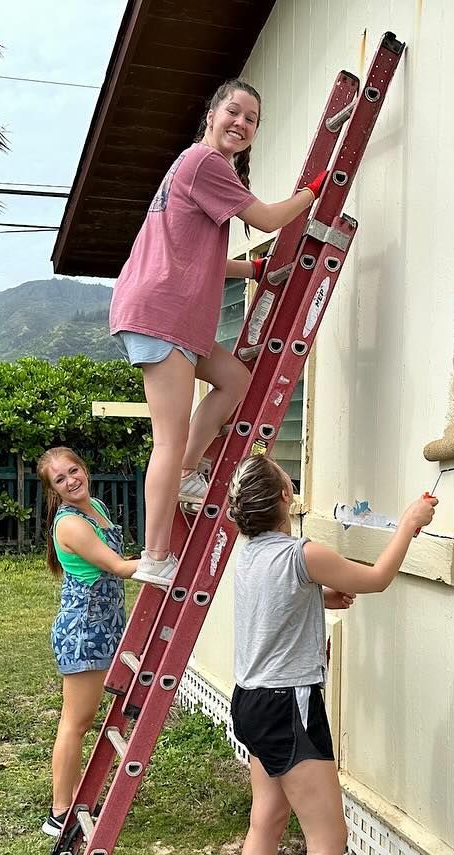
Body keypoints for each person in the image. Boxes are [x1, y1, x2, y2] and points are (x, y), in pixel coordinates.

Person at [222, 453, 437, 855]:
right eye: (288, 482)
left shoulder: (249, 554)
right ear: (282, 500)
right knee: (327, 840)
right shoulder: (304, 554)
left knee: (266, 821)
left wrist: (315, 599)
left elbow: (275, 606)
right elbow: (377, 580)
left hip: (251, 703)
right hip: (289, 707)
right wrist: (409, 524)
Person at [109, 78, 329, 588]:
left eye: (251, 119)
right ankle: (155, 554)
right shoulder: (205, 163)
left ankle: (188, 470)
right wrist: (312, 192)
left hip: (174, 315)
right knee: (167, 437)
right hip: (162, 314)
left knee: (234, 379)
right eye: (234, 111)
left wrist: (251, 273)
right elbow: (270, 217)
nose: (242, 123)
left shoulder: (197, 169)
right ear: (211, 113)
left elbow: (195, 256)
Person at [37, 447, 139, 837]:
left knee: (82, 720)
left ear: (84, 468)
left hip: (105, 625)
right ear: (54, 491)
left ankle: (74, 797)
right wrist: (163, 566)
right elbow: (116, 566)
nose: (70, 481)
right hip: (84, 632)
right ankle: (60, 812)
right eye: (60, 479)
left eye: (73, 470)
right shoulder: (69, 524)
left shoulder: (94, 506)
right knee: (75, 722)